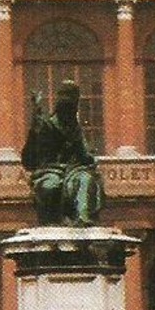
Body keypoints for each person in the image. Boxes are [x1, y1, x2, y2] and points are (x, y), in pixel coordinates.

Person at [21, 78, 105, 225]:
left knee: (86, 180)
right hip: (50, 170)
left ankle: (83, 220)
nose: (68, 102)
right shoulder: (46, 124)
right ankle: (50, 223)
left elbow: (83, 154)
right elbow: (30, 156)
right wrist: (36, 126)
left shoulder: (75, 129)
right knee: (50, 186)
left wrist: (89, 158)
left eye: (72, 98)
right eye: (64, 96)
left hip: (73, 171)